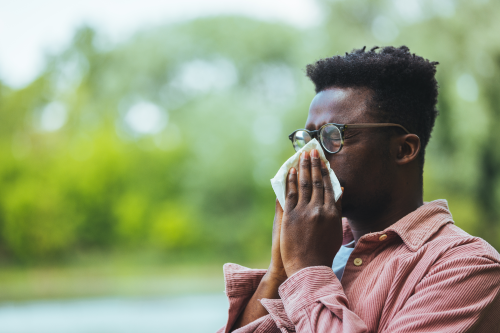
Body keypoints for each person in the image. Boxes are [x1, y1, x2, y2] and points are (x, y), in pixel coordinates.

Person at [217, 46, 500, 333]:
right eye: (309, 138)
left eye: (333, 136)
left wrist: (306, 270)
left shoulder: (465, 267)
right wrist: (279, 271)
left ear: (403, 149)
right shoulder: (320, 244)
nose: (312, 155)